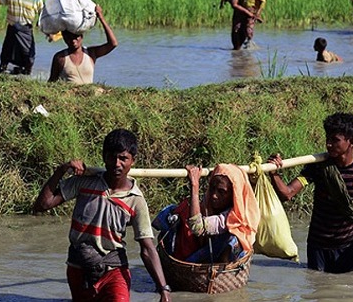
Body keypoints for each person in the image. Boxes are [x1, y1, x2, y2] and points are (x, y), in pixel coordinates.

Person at [33, 129, 172, 301]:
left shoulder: (135, 200)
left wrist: (163, 289)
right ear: (104, 157)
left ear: (132, 161)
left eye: (123, 158)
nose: (117, 164)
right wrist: (61, 170)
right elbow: (42, 205)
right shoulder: (84, 182)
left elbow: (147, 248)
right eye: (112, 157)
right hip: (79, 268)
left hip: (114, 271)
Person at [268, 113, 353, 273]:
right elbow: (287, 194)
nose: (328, 144)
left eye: (335, 140)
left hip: (352, 244)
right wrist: (273, 172)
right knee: (320, 289)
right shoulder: (318, 167)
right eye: (327, 139)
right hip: (319, 246)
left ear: (352, 142)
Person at [153, 163, 259, 264]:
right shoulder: (208, 203)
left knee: (233, 239)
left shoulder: (233, 217)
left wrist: (194, 185)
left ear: (234, 195)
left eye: (222, 192)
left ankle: (218, 272)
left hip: (221, 260)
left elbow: (197, 227)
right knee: (173, 212)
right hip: (204, 252)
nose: (214, 195)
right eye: (212, 188)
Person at [48, 5, 118, 84]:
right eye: (69, 38)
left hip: (88, 94)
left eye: (76, 37)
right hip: (69, 95)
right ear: (64, 39)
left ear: (81, 36)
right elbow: (52, 82)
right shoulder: (60, 58)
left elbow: (113, 43)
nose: (73, 40)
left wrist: (101, 18)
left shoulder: (91, 53)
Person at [0, 0, 47, 75]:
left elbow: (42, 13)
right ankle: (2, 71)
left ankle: (26, 72)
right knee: (6, 52)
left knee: (28, 54)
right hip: (12, 27)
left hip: (26, 29)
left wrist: (46, 28)